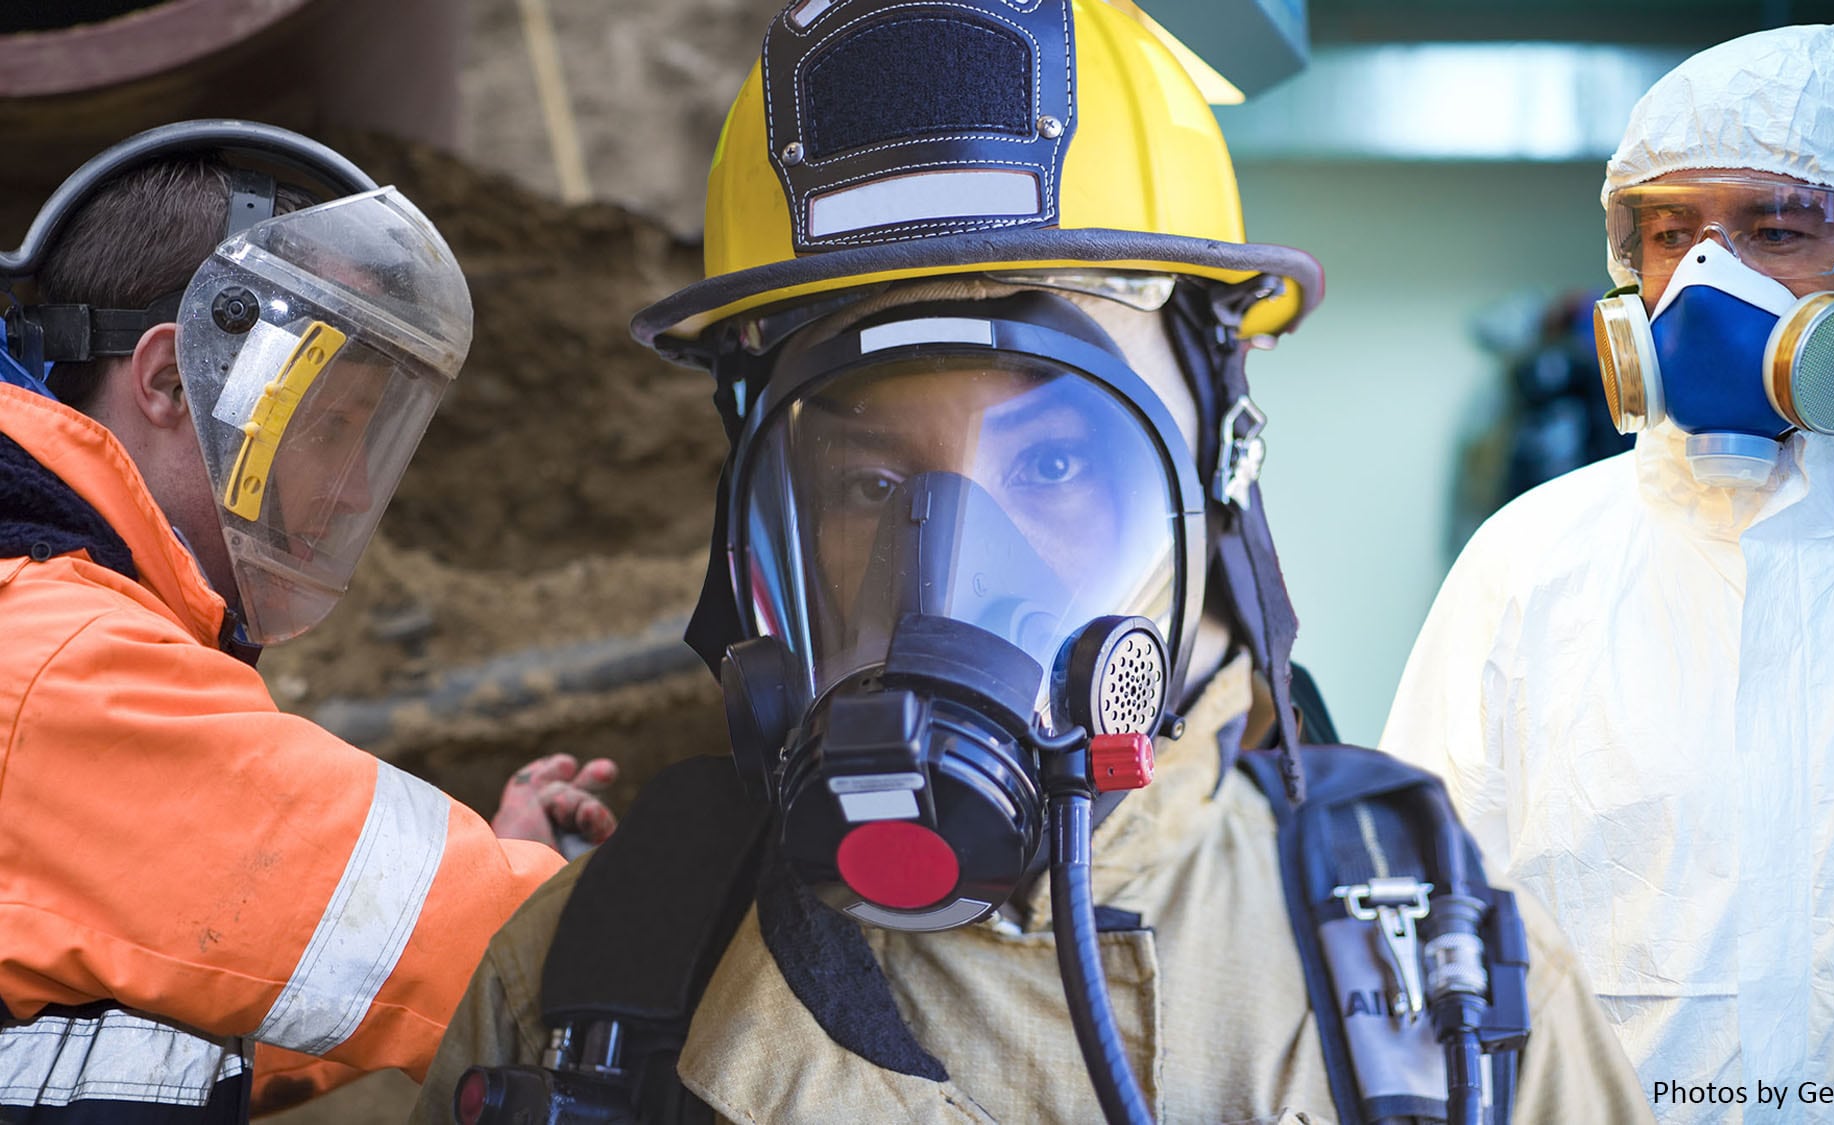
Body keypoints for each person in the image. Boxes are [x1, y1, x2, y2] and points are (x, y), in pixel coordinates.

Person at [413, 4, 1654, 1122]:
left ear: (1214, 470)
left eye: (1052, 468)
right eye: (867, 483)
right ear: (755, 521)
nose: (948, 566)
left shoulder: (1441, 992)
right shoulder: (594, 985)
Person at [1379, 24, 1834, 1120]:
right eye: (1668, 233)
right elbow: (1407, 941)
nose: (1707, 279)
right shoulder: (1529, 564)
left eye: (1772, 229)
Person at [0, 122, 619, 1121]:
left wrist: (506, 863)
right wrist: (542, 897)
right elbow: (492, 957)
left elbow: (208, 990)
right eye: (329, 428)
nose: (344, 492)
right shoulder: (57, 667)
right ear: (166, 380)